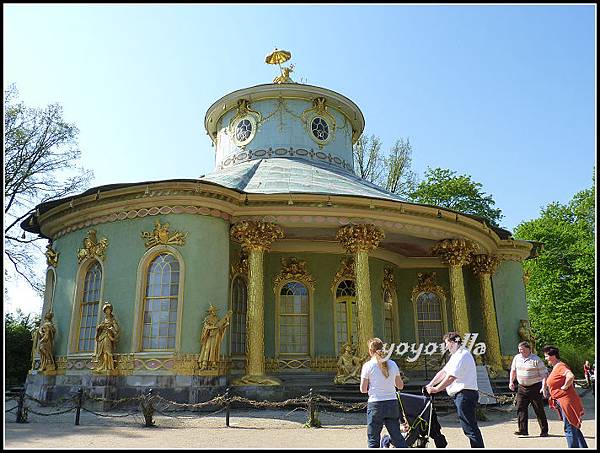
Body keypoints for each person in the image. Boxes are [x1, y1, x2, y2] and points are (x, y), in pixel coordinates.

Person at [426, 331, 485, 448]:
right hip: (462, 395)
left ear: (453, 343)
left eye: (446, 343)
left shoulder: (463, 355)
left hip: (465, 395)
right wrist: (430, 384)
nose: (445, 346)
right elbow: (443, 372)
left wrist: (436, 389)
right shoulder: (455, 356)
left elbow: (451, 377)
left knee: (470, 428)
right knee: (469, 427)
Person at [360, 337, 408, 448]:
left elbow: (363, 389)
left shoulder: (367, 366)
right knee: (397, 437)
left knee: (373, 439)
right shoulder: (393, 364)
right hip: (392, 402)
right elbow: (400, 386)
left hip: (375, 403)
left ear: (370, 351)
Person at [542, 345, 587, 448]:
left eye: (546, 356)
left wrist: (565, 387)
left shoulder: (561, 366)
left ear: (552, 355)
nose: (545, 359)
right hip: (563, 401)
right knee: (573, 426)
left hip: (567, 401)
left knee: (569, 428)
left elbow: (570, 376)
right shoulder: (556, 367)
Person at [508, 341, 549, 437]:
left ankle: (544, 430)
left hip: (535, 387)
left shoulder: (536, 359)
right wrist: (511, 382)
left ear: (529, 349)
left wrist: (544, 387)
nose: (521, 352)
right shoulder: (517, 358)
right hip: (521, 387)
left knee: (538, 409)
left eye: (523, 350)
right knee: (520, 408)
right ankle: (522, 430)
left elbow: (544, 375)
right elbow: (513, 371)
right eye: (519, 350)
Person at [198, 305, 232, 370]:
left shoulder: (217, 319)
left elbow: (220, 327)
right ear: (210, 311)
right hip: (210, 336)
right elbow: (206, 327)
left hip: (216, 336)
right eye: (213, 311)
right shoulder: (207, 318)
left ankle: (212, 364)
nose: (214, 312)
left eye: (215, 311)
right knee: (207, 348)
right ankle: (204, 364)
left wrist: (226, 324)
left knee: (214, 349)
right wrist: (214, 327)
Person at [95, 303, 119, 371]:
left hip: (108, 337)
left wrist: (111, 329)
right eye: (106, 310)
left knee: (107, 352)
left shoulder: (112, 320)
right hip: (102, 337)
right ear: (104, 311)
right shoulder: (103, 320)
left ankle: (108, 366)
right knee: (102, 352)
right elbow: (99, 328)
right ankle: (103, 366)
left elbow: (116, 329)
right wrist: (99, 327)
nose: (107, 311)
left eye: (109, 310)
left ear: (110, 311)